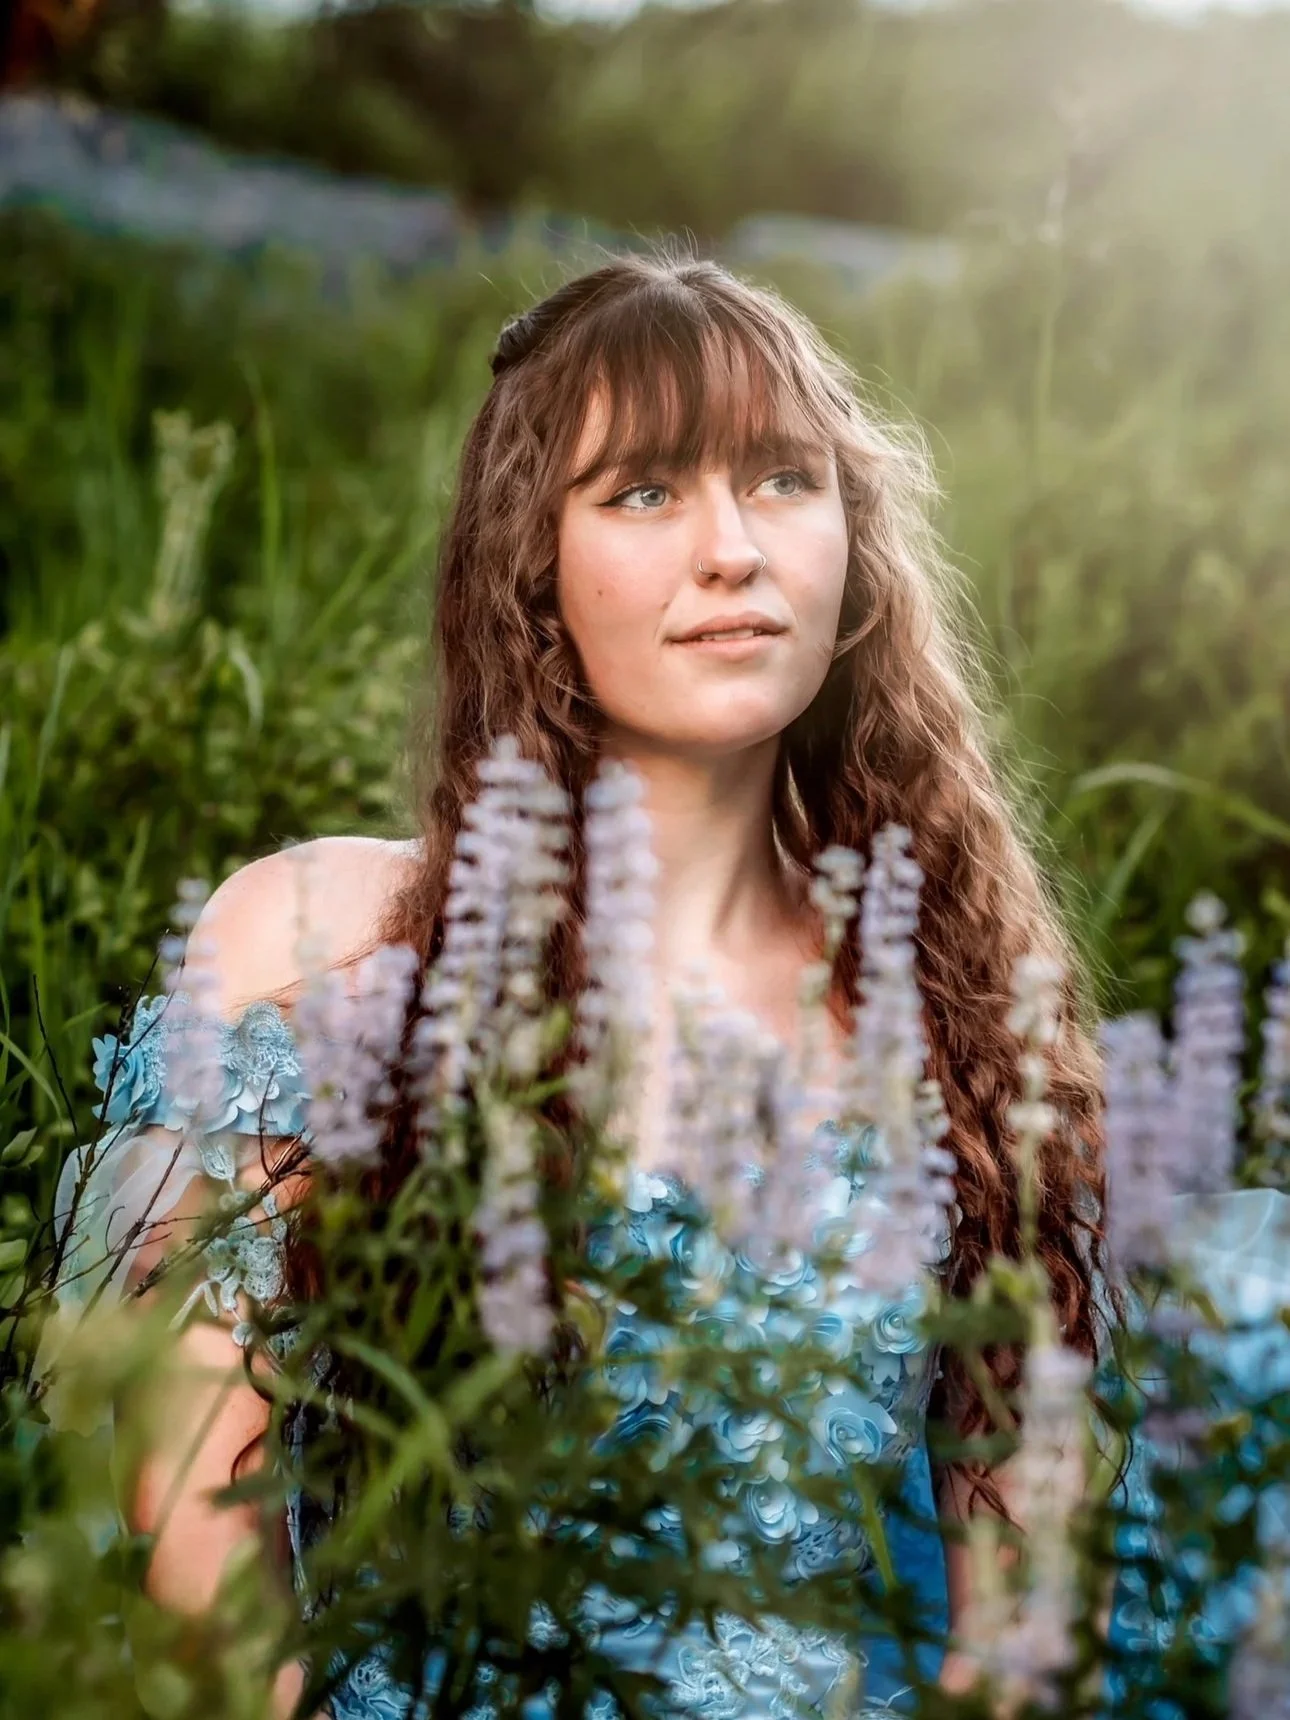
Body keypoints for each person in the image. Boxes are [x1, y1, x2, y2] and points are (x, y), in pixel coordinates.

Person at [48, 250, 1119, 1718]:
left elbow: (1013, 1628)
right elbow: (202, 1555)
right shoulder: (328, 942)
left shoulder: (954, 1002)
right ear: (529, 562)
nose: (731, 549)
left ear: (854, 544)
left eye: (783, 479)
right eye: (643, 492)